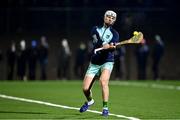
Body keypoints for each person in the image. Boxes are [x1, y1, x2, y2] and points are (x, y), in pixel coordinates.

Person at [79, 10, 119, 116]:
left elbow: (113, 48)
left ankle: (105, 108)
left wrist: (111, 47)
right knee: (85, 88)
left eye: (112, 18)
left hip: (107, 61)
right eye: (108, 17)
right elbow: (96, 41)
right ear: (104, 18)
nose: (110, 19)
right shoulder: (95, 29)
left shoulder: (115, 34)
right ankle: (90, 101)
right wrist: (105, 44)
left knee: (103, 82)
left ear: (114, 20)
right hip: (95, 62)